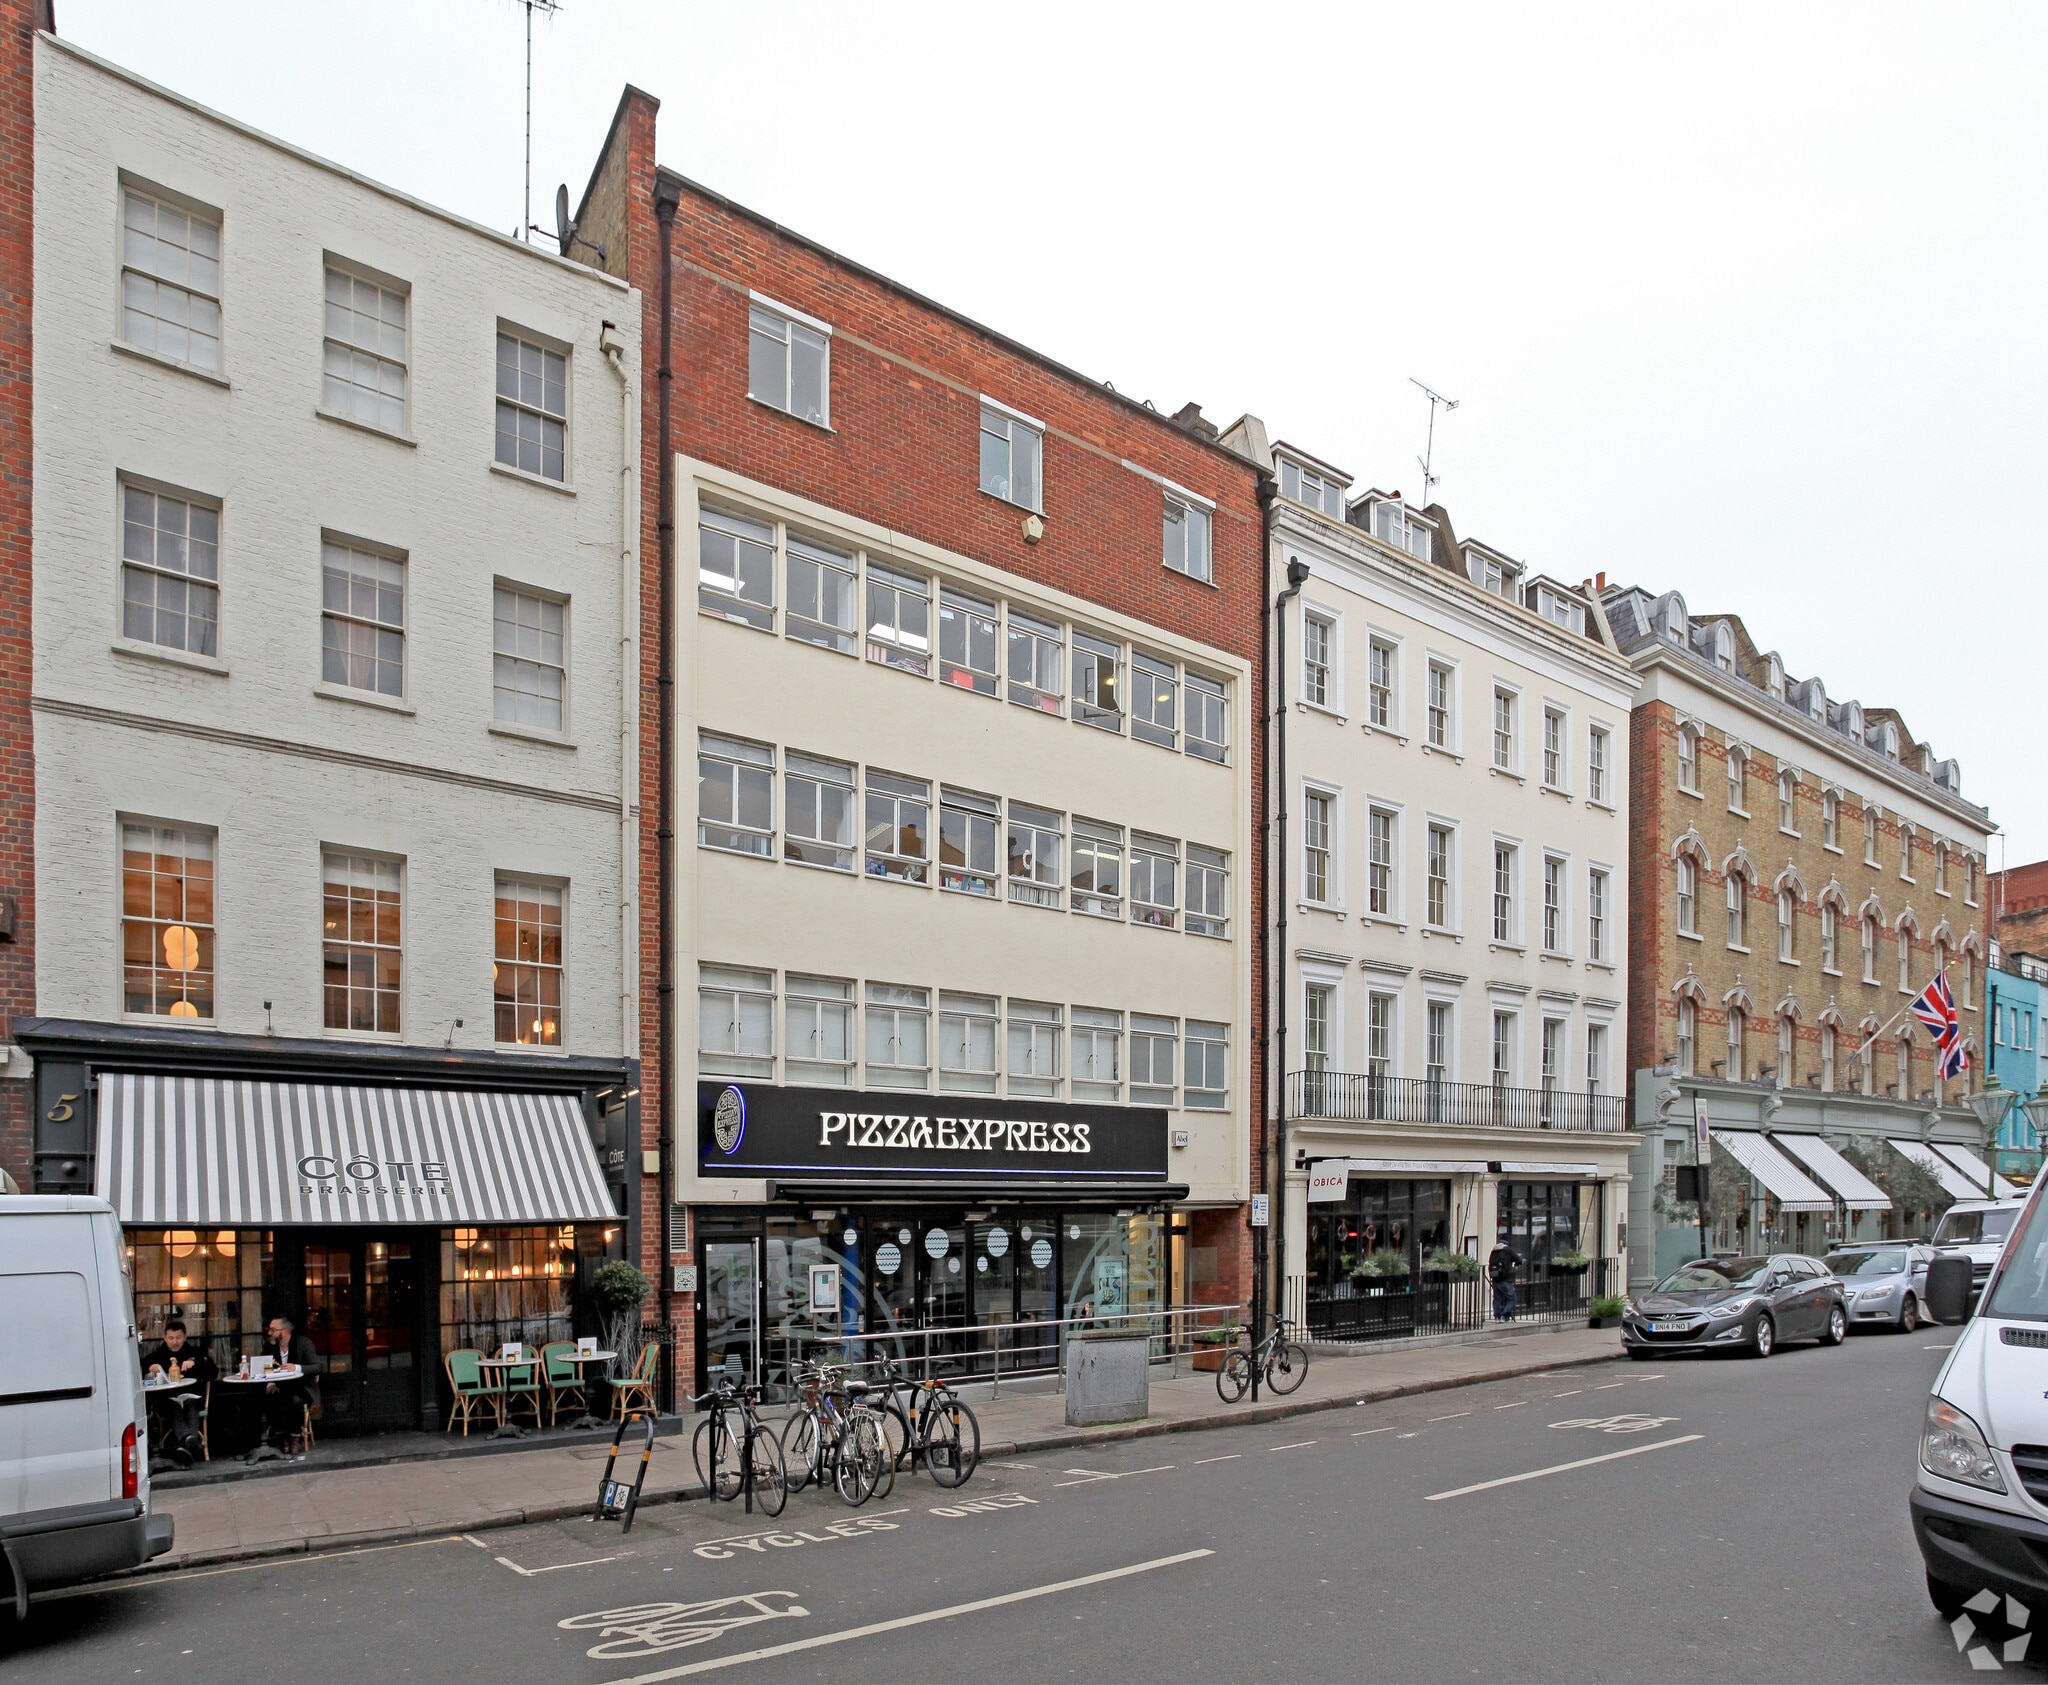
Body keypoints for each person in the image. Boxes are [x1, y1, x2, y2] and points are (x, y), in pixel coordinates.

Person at [140, 1319, 216, 1466]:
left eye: (178, 1338)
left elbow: (213, 1372)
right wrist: (150, 1368)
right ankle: (190, 1441)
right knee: (173, 1406)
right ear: (165, 1338)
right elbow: (140, 1371)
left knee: (190, 1404)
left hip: (191, 1397)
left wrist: (196, 1363)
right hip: (166, 1401)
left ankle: (185, 1441)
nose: (175, 1342)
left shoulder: (195, 1353)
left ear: (185, 1337)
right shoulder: (158, 1355)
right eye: (171, 1338)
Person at [257, 1315, 323, 1456]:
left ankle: (295, 1438)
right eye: (269, 1329)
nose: (269, 1333)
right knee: (268, 1399)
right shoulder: (270, 1346)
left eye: (273, 1330)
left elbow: (317, 1367)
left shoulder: (303, 1343)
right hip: (281, 1387)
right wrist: (271, 1383)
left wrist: (297, 1368)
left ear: (285, 1331)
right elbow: (265, 1367)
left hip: (302, 1387)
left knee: (295, 1400)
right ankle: (280, 1437)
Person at [1488, 1240, 1522, 1322]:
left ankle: (1497, 1317)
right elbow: (1519, 1260)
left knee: (1497, 1299)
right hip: (1506, 1279)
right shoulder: (1508, 1250)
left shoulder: (1494, 1251)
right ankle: (1505, 1315)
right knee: (1512, 1298)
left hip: (1495, 1279)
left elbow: (1490, 1263)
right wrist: (1514, 1266)